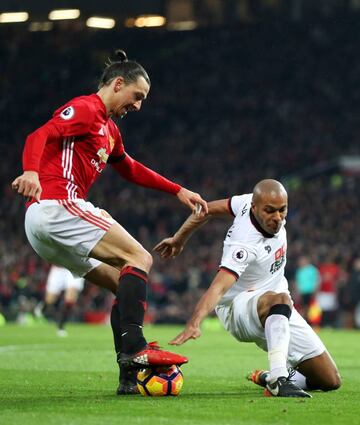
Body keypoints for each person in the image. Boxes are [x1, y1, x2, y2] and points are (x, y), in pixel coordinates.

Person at [11, 49, 208, 395]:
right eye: (137, 96)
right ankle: (135, 349)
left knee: (124, 283)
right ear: (118, 84)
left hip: (43, 227)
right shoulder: (87, 109)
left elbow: (129, 167)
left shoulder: (110, 130)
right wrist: (31, 171)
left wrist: (177, 190)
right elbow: (38, 135)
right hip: (57, 203)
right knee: (141, 258)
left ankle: (128, 378)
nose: (138, 106)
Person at [154, 179, 341, 398]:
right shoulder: (244, 244)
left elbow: (205, 209)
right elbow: (218, 288)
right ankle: (278, 379)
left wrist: (179, 238)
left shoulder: (244, 203)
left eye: (282, 210)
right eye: (270, 211)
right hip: (237, 307)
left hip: (275, 305)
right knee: (279, 299)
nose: (277, 217)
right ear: (255, 207)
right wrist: (194, 323)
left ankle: (266, 376)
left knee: (329, 380)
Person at [41, 265, 85, 337]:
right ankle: (42, 309)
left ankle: (61, 326)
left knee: (70, 299)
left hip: (75, 266)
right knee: (50, 300)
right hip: (59, 267)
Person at [294, 256, 320, 323]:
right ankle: (304, 322)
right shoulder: (299, 271)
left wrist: (315, 291)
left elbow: (317, 280)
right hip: (302, 292)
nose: (301, 262)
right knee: (303, 308)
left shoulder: (312, 270)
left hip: (310, 292)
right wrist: (297, 292)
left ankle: (313, 323)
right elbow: (297, 282)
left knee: (311, 308)